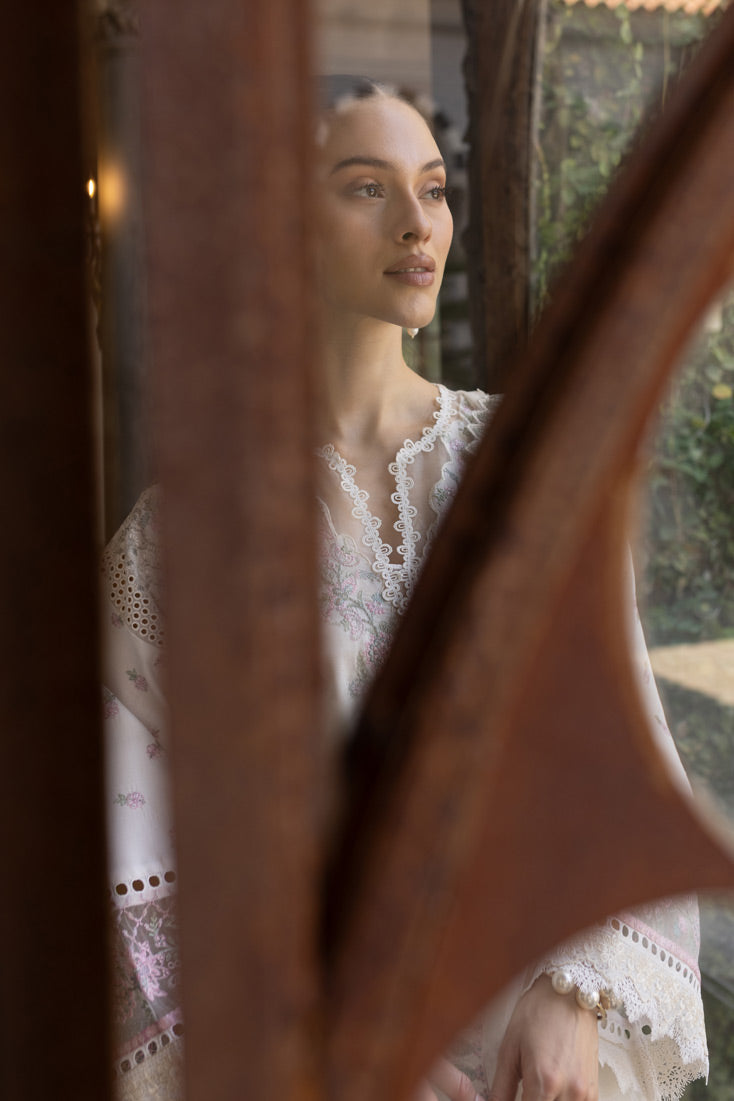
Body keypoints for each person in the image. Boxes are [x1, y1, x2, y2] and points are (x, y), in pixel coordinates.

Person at [101, 77, 707, 1101]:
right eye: (366, 187)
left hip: (542, 1067)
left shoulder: (528, 469)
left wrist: (574, 990)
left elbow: (617, 753)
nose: (417, 223)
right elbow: (142, 852)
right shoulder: (182, 538)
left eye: (431, 188)